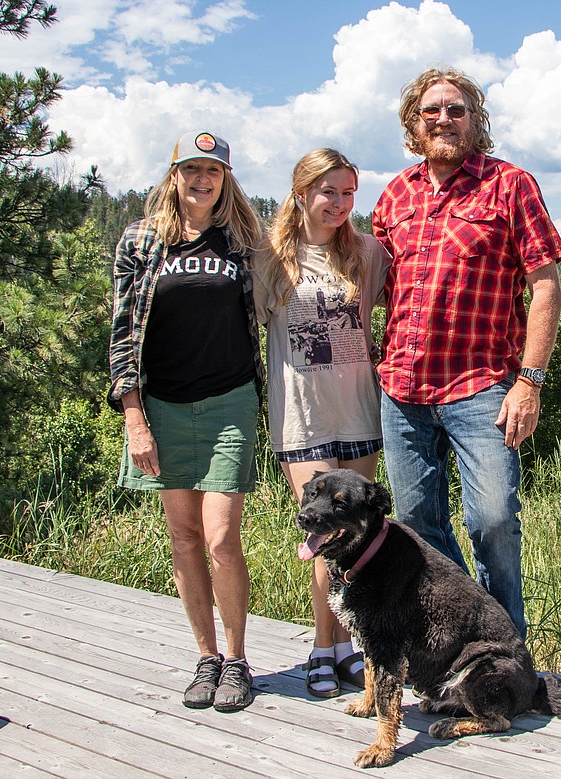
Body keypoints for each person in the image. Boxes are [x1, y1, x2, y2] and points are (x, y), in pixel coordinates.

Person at [371, 68, 561, 640]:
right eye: (431, 110)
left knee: (493, 520)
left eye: (456, 109)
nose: (443, 119)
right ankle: (458, 643)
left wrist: (529, 382)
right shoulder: (396, 195)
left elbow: (546, 284)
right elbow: (374, 284)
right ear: (414, 123)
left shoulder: (510, 185)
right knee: (415, 524)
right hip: (402, 389)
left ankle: (506, 651)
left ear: (477, 120)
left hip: (482, 386)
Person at [108, 130, 263, 712]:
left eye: (214, 172)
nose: (203, 180)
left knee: (223, 537)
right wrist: (133, 418)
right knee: (184, 537)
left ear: (227, 180)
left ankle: (239, 659)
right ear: (173, 175)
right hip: (162, 407)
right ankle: (206, 659)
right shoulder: (142, 240)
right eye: (193, 170)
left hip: (229, 401)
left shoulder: (243, 239)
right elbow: (123, 331)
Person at [251, 148, 390, 698]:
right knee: (322, 533)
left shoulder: (367, 254)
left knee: (356, 536)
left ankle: (346, 647)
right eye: (328, 191)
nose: (339, 203)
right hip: (302, 418)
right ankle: (320, 645)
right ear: (302, 192)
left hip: (358, 409)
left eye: (349, 192)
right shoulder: (269, 257)